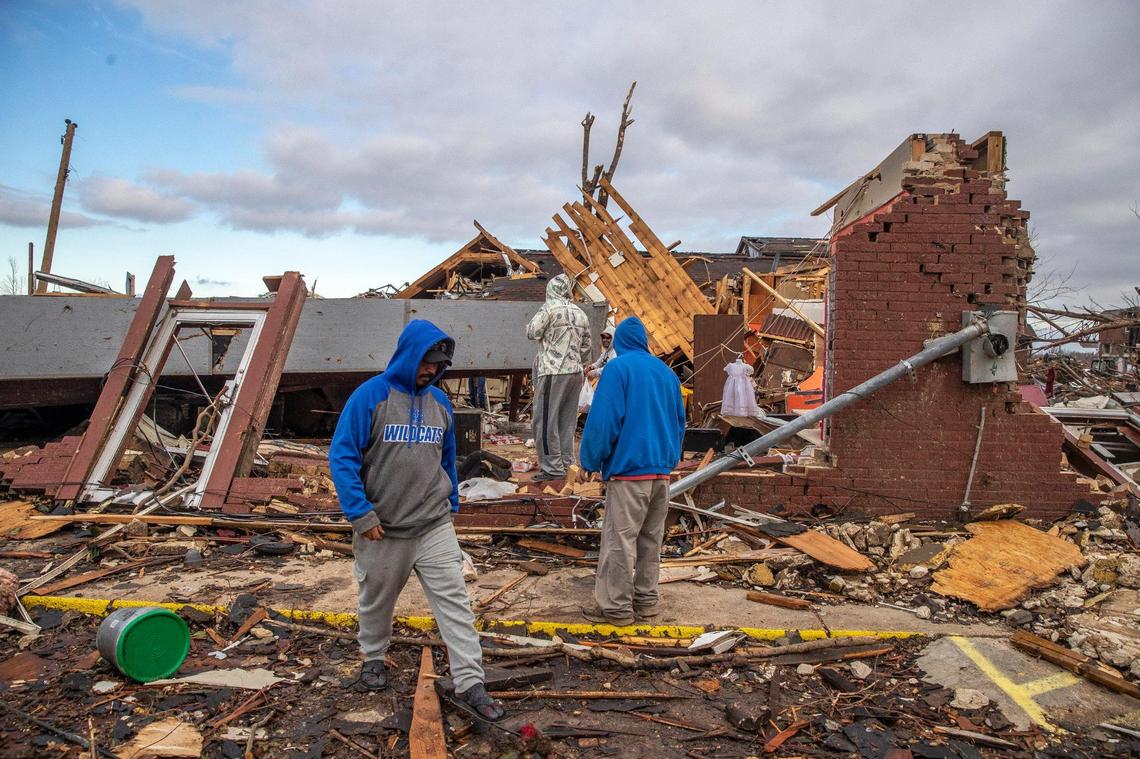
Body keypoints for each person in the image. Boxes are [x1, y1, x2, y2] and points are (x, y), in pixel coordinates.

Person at [329, 319, 505, 720]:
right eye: (426, 363)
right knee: (376, 600)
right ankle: (373, 656)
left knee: (456, 604)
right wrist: (360, 513)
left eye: (438, 365)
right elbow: (342, 457)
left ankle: (470, 682)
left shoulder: (440, 403)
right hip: (383, 528)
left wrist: (452, 503)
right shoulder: (369, 397)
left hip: (433, 525)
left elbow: (447, 459)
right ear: (409, 355)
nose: (431, 371)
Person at [578, 316, 686, 625]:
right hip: (660, 474)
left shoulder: (618, 369)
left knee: (620, 542)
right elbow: (680, 424)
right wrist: (670, 460)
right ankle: (647, 602)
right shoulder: (667, 375)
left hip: (628, 474)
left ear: (620, 343)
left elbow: (604, 420)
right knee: (651, 542)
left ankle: (617, 608)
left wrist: (590, 460)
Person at [526, 274, 592, 481]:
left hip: (552, 371)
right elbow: (587, 346)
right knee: (566, 421)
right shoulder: (580, 312)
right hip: (575, 373)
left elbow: (532, 332)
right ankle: (567, 463)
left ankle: (552, 468)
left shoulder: (549, 308)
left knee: (545, 421)